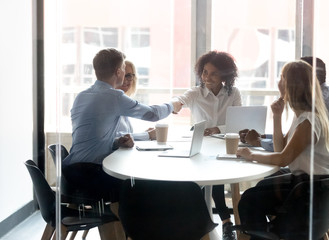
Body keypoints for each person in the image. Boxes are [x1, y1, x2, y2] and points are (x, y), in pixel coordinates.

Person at [63, 48, 181, 207]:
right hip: (91, 174)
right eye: (124, 69)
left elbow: (93, 137)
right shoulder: (114, 96)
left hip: (72, 172)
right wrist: (173, 104)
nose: (126, 73)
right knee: (145, 186)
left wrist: (117, 142)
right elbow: (152, 114)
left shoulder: (82, 95)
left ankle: (124, 229)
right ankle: (133, 229)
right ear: (118, 72)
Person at [235, 60, 329, 236]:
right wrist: (277, 117)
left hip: (311, 190)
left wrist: (250, 154)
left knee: (249, 200)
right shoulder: (303, 116)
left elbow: (283, 159)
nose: (278, 81)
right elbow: (280, 149)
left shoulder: (308, 120)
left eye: (282, 77)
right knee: (255, 193)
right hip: (310, 184)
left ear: (292, 85)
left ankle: (268, 235)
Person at [239, 56, 329, 163]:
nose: (279, 83)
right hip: (326, 173)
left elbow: (284, 156)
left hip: (328, 179)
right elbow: (289, 142)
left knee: (264, 184)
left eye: (283, 78)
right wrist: (274, 122)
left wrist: (257, 144)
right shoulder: (309, 104)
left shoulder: (315, 109)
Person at [173, 50, 241, 240]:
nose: (207, 77)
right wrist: (174, 105)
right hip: (200, 148)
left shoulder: (233, 93)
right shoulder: (196, 92)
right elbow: (180, 100)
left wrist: (217, 129)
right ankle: (224, 224)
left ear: (224, 76)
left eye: (213, 73)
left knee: (215, 179)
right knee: (208, 181)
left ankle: (215, 225)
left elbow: (239, 123)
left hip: (223, 146)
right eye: (204, 72)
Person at [116, 60, 156, 140]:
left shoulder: (124, 102)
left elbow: (126, 137)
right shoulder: (110, 102)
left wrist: (144, 134)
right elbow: (114, 137)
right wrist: (147, 135)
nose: (124, 80)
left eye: (129, 76)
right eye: (121, 75)